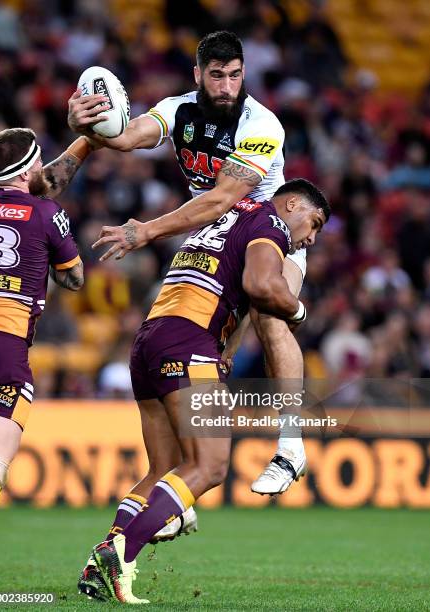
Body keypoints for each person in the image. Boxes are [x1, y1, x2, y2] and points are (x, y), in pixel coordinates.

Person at [68, 30, 308, 523]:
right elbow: (126, 136)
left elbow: (222, 198)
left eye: (235, 75)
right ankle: (183, 479)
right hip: (216, 235)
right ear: (197, 74)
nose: (226, 86)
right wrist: (84, 123)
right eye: (216, 75)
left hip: (266, 230)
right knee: (202, 349)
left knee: (269, 309)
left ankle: (291, 447)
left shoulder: (261, 122)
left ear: (245, 74)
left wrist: (147, 231)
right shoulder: (178, 110)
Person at [81, 179, 330, 603]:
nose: (311, 237)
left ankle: (97, 568)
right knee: (211, 466)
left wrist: (227, 346)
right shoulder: (270, 223)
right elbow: (261, 287)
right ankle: (117, 553)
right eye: (315, 223)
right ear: (292, 204)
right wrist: (300, 310)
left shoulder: (227, 213)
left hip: (151, 338)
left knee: (164, 469)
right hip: (189, 340)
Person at [0, 128, 84, 531]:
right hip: (3, 351)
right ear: (25, 174)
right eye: (40, 160)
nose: (44, 166)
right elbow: (74, 278)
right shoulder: (45, 214)